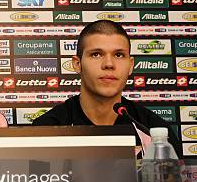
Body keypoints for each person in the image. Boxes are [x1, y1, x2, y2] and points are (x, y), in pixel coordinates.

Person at [32, 19, 181, 157]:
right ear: (77, 64)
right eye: (96, 54)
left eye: (118, 55)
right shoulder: (46, 129)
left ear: (130, 65)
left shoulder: (155, 133)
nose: (109, 64)